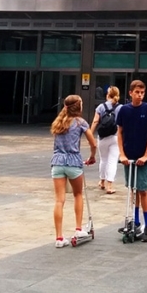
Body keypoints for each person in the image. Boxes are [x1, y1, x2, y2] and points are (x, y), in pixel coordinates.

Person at [50, 94, 97, 248]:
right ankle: (78, 229)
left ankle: (59, 238)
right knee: (78, 194)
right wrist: (91, 156)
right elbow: (93, 143)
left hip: (57, 162)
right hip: (73, 162)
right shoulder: (80, 122)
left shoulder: (58, 122)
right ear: (79, 107)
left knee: (59, 200)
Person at [116, 79, 147, 242]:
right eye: (137, 92)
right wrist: (122, 154)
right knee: (132, 189)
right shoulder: (124, 110)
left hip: (142, 156)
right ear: (130, 93)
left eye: (142, 93)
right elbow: (119, 132)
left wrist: (146, 154)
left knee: (143, 190)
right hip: (129, 156)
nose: (140, 95)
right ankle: (135, 221)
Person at [89, 85, 121, 194]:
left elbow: (95, 121)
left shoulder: (101, 107)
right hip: (115, 137)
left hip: (102, 137)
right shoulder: (121, 108)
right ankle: (110, 186)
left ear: (107, 95)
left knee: (103, 159)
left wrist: (90, 134)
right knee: (112, 161)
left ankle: (102, 182)